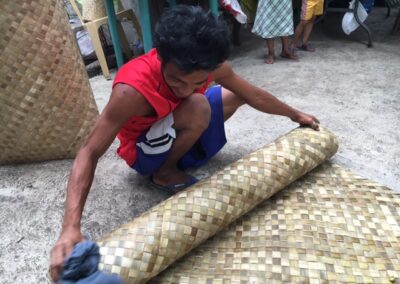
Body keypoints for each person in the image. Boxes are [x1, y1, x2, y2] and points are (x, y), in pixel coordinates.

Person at [50, 5, 319, 281]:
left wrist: (295, 114)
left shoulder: (214, 67)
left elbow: (255, 95)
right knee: (198, 105)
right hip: (144, 151)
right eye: (175, 80)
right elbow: (89, 151)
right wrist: (70, 226)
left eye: (197, 81)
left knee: (234, 94)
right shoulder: (131, 89)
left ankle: (182, 150)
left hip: (176, 126)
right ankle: (164, 173)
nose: (184, 88)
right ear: (161, 58)